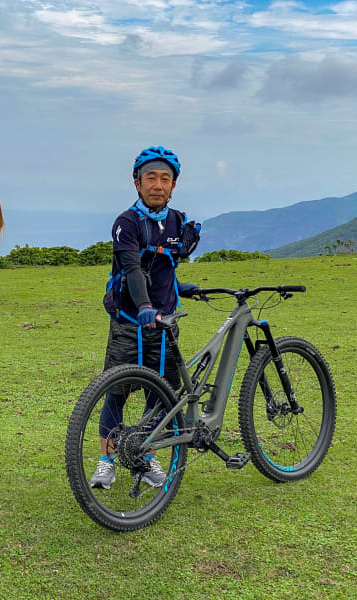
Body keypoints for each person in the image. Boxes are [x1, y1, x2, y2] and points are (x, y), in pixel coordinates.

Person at [90, 145, 201, 490]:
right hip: (129, 321)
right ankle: (106, 461)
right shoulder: (127, 222)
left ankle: (146, 454)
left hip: (165, 323)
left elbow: (164, 268)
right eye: (150, 177)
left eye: (164, 178)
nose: (157, 184)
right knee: (116, 393)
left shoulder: (178, 221)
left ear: (173, 185)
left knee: (162, 395)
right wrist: (142, 307)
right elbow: (133, 269)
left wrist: (182, 287)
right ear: (137, 183)